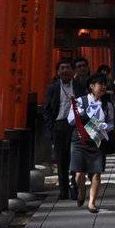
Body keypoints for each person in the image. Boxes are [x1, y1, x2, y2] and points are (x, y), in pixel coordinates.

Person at [68, 70, 113, 212]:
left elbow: (111, 123)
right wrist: (81, 118)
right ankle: (82, 192)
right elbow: (70, 120)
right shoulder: (80, 101)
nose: (103, 87)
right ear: (91, 86)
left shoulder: (107, 105)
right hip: (80, 140)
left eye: (105, 84)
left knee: (96, 172)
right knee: (79, 173)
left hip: (98, 140)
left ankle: (92, 203)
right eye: (100, 84)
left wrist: (104, 126)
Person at [41, 59, 77, 199]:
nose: (65, 71)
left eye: (68, 67)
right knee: (61, 159)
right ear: (57, 72)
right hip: (59, 125)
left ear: (72, 71)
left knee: (75, 158)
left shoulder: (79, 87)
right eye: (62, 68)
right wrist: (52, 126)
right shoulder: (53, 88)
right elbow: (47, 109)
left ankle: (75, 186)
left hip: (75, 126)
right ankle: (63, 190)